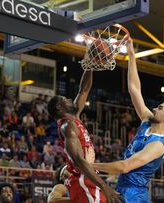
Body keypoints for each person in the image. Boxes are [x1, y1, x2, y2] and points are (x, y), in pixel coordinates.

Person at [91, 37, 164, 203]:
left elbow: (124, 167)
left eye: (160, 108)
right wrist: (132, 55)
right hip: (123, 188)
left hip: (135, 196)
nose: (154, 108)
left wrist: (89, 166)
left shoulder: (158, 145)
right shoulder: (147, 120)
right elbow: (134, 90)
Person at [47, 71, 121, 203]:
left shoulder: (74, 118)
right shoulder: (67, 126)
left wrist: (90, 66)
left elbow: (84, 90)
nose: (69, 99)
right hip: (82, 178)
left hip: (88, 177)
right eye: (65, 99)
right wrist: (104, 186)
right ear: (59, 107)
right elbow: (80, 162)